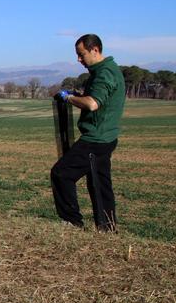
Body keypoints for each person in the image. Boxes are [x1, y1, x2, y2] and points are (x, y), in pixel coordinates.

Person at [51, 34, 125, 230]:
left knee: (61, 173)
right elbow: (97, 98)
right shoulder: (106, 70)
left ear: (95, 50)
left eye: (81, 54)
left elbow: (92, 104)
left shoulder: (104, 73)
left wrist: (68, 98)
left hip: (96, 139)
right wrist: (78, 95)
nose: (79, 59)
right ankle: (107, 227)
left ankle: (72, 221)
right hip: (106, 137)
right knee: (100, 183)